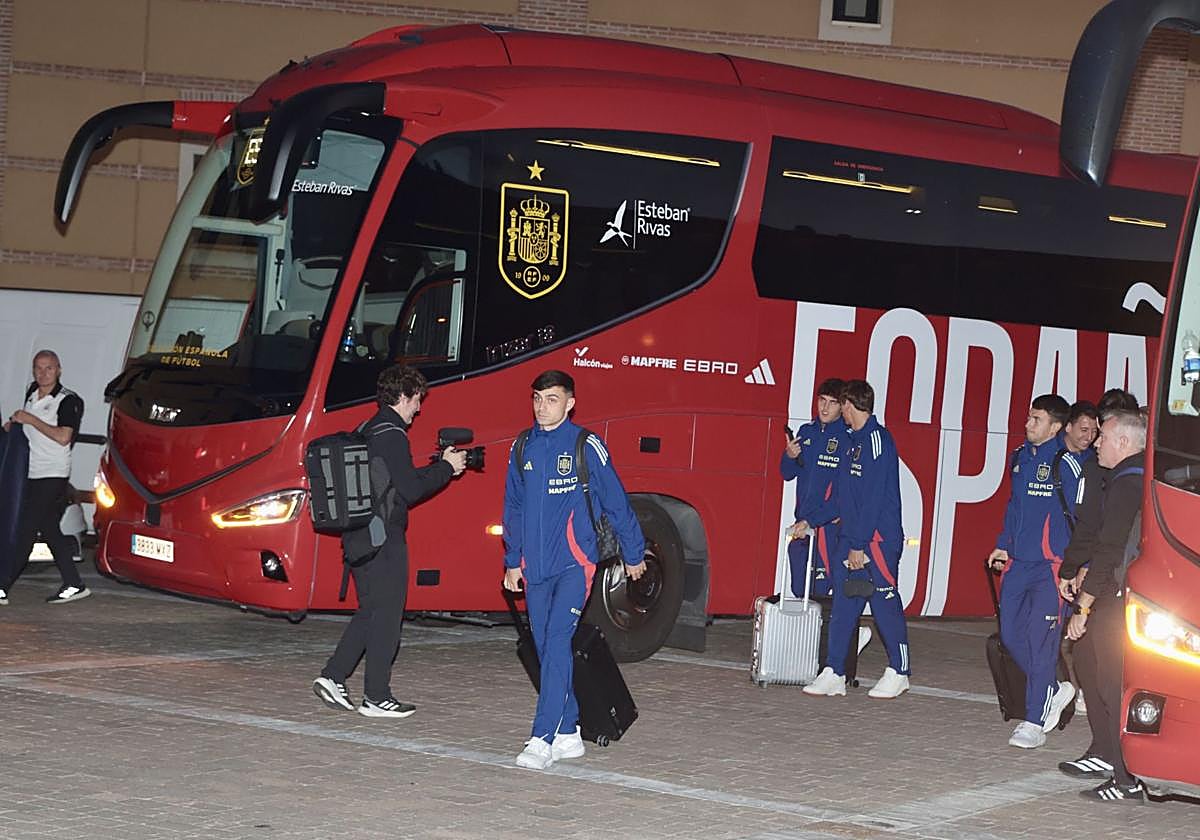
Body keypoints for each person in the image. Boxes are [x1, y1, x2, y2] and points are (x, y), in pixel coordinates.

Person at [502, 369, 645, 770]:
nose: (541, 406)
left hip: (574, 564)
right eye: (536, 398)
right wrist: (513, 561)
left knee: (559, 642)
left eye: (550, 398)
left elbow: (617, 503)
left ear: (570, 403)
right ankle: (568, 730)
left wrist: (634, 553)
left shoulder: (586, 446)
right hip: (535, 567)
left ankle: (541, 737)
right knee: (547, 648)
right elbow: (512, 507)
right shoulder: (522, 446)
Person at [312, 365, 466, 718]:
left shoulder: (369, 428)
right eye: (416, 400)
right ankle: (376, 696)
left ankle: (333, 676)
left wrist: (439, 466)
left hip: (359, 536)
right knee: (387, 619)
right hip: (383, 539)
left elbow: (398, 481)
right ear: (402, 396)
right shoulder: (393, 434)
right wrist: (445, 469)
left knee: (372, 612)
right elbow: (410, 491)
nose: (419, 408)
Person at [1058, 409, 1147, 802]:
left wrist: (1083, 608)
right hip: (1113, 593)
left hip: (1118, 598)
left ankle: (1127, 777)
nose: (1096, 442)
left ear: (1124, 443)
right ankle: (1109, 755)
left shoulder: (1129, 484)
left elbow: (1110, 551)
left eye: (1103, 437)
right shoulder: (1125, 478)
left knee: (1113, 683)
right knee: (1093, 670)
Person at [803, 379, 910, 699]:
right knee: (844, 606)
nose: (839, 412)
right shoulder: (852, 442)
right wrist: (810, 520)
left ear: (849, 405)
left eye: (841, 405)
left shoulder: (878, 440)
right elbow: (843, 499)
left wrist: (860, 545)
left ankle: (901, 671)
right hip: (853, 537)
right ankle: (834, 671)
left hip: (876, 540)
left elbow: (874, 500)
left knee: (884, 605)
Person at [988, 394, 1082, 749]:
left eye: (1036, 419)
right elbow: (1014, 507)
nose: (1028, 425)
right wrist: (1003, 543)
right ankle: (1054, 689)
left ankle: (1034, 721)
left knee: (1041, 644)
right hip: (1017, 564)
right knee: (1012, 636)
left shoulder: (1068, 466)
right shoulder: (1019, 459)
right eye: (1028, 418)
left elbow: (1083, 521)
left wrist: (1077, 569)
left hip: (1051, 569)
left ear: (1056, 427)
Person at [0, 350, 87, 605]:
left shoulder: (68, 400)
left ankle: (2, 586)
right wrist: (14, 426)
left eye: (49, 368)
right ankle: (74, 583)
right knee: (49, 528)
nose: (43, 373)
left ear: (59, 369)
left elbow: (63, 437)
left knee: (25, 528)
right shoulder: (31, 392)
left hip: (53, 474)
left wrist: (31, 419)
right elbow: (28, 428)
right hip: (30, 472)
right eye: (38, 368)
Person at [781, 377, 849, 599]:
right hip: (802, 526)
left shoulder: (847, 439)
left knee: (822, 591)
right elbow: (787, 473)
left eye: (832, 402)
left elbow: (842, 498)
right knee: (799, 589)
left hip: (827, 529)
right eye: (822, 400)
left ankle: (843, 633)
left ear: (842, 406)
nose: (825, 407)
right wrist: (790, 456)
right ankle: (811, 633)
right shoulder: (806, 431)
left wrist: (814, 520)